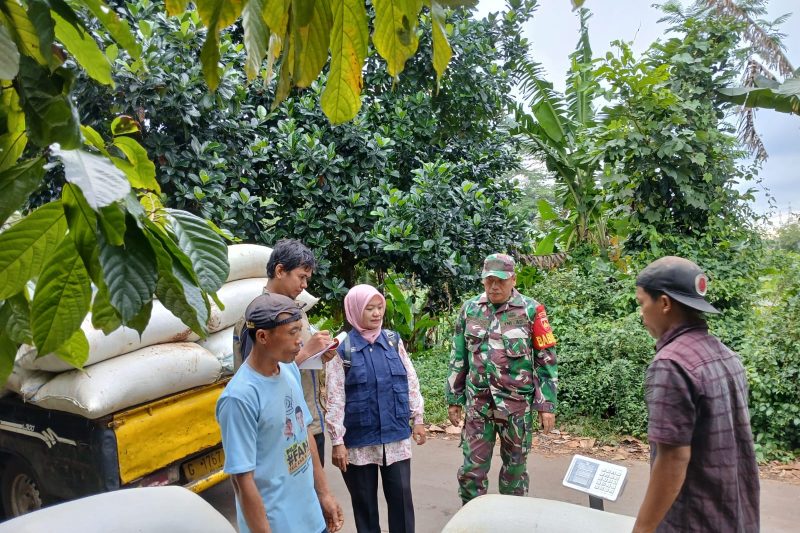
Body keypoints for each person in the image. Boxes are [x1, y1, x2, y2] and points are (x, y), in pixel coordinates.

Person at [632, 256, 760, 533]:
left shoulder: (671, 363)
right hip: (734, 516)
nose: (641, 314)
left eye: (642, 303)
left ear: (664, 303)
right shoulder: (725, 355)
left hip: (693, 520)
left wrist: (642, 529)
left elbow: (673, 458)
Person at [216, 293, 344, 533]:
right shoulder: (239, 398)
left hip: (312, 520)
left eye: (301, 331)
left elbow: (304, 434)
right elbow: (242, 480)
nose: (300, 341)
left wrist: (324, 494)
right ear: (263, 336)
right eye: (292, 332)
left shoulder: (288, 371)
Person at [446, 253, 558, 504]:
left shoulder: (532, 310)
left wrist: (546, 405)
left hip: (515, 406)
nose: (494, 286)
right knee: (471, 472)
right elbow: (458, 356)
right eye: (489, 281)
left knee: (514, 472)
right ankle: (472, 520)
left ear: (513, 279)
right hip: (479, 405)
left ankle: (512, 522)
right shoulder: (470, 309)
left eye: (501, 281)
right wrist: (454, 397)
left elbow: (546, 360)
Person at [325, 284, 426, 533]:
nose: (376, 313)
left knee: (402, 502)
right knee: (365, 507)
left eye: (379, 307)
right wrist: (337, 440)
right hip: (360, 441)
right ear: (355, 310)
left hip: (395, 437)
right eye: (369, 308)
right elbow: (335, 395)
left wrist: (418, 418)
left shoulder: (393, 341)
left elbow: (410, 381)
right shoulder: (342, 348)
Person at [233, 239, 336, 465]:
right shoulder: (259, 317)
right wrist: (307, 352)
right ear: (280, 270)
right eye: (301, 277)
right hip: (281, 429)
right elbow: (259, 376)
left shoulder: (297, 312)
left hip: (306, 420)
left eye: (307, 279)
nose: (305, 285)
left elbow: (296, 359)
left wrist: (321, 355)